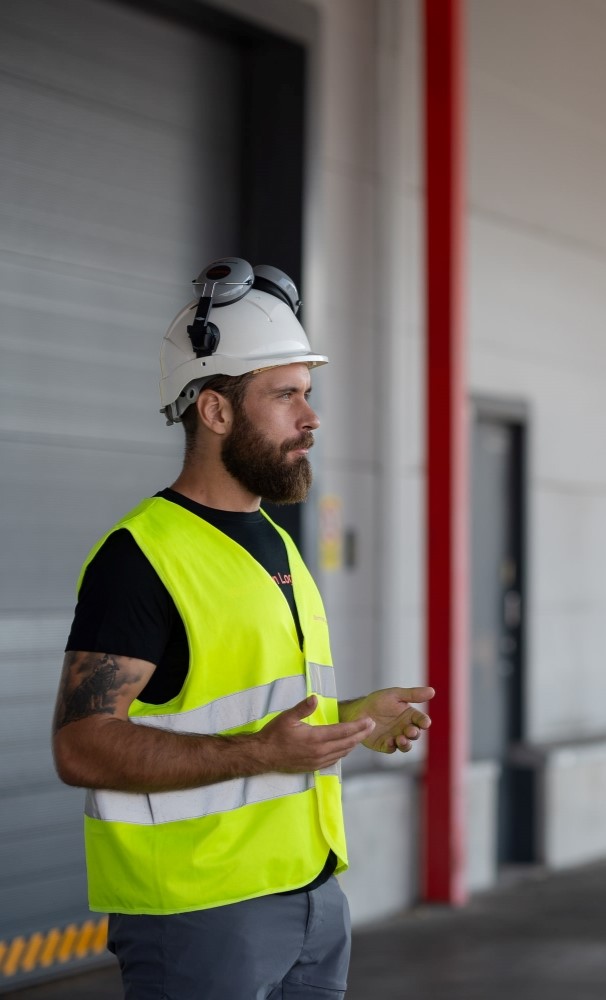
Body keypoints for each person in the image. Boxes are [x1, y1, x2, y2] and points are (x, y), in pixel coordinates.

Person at [52, 257, 434, 1000]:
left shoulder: (276, 543)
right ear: (216, 412)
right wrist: (262, 752)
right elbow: (81, 744)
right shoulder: (142, 557)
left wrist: (347, 718)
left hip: (311, 896)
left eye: (308, 394)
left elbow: (240, 704)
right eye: (285, 395)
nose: (311, 418)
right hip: (198, 914)